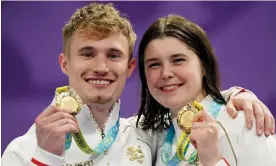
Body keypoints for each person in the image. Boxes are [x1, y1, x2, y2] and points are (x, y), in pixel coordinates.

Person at [1, 3, 275, 166]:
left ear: (130, 68)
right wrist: (45, 158)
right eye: (87, 53)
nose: (101, 67)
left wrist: (234, 96)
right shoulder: (24, 150)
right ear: (64, 63)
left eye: (113, 55)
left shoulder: (145, 135)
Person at [136, 14, 276, 166]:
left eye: (178, 60)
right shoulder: (152, 137)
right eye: (154, 64)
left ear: (203, 66)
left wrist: (213, 161)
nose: (166, 73)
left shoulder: (244, 121)